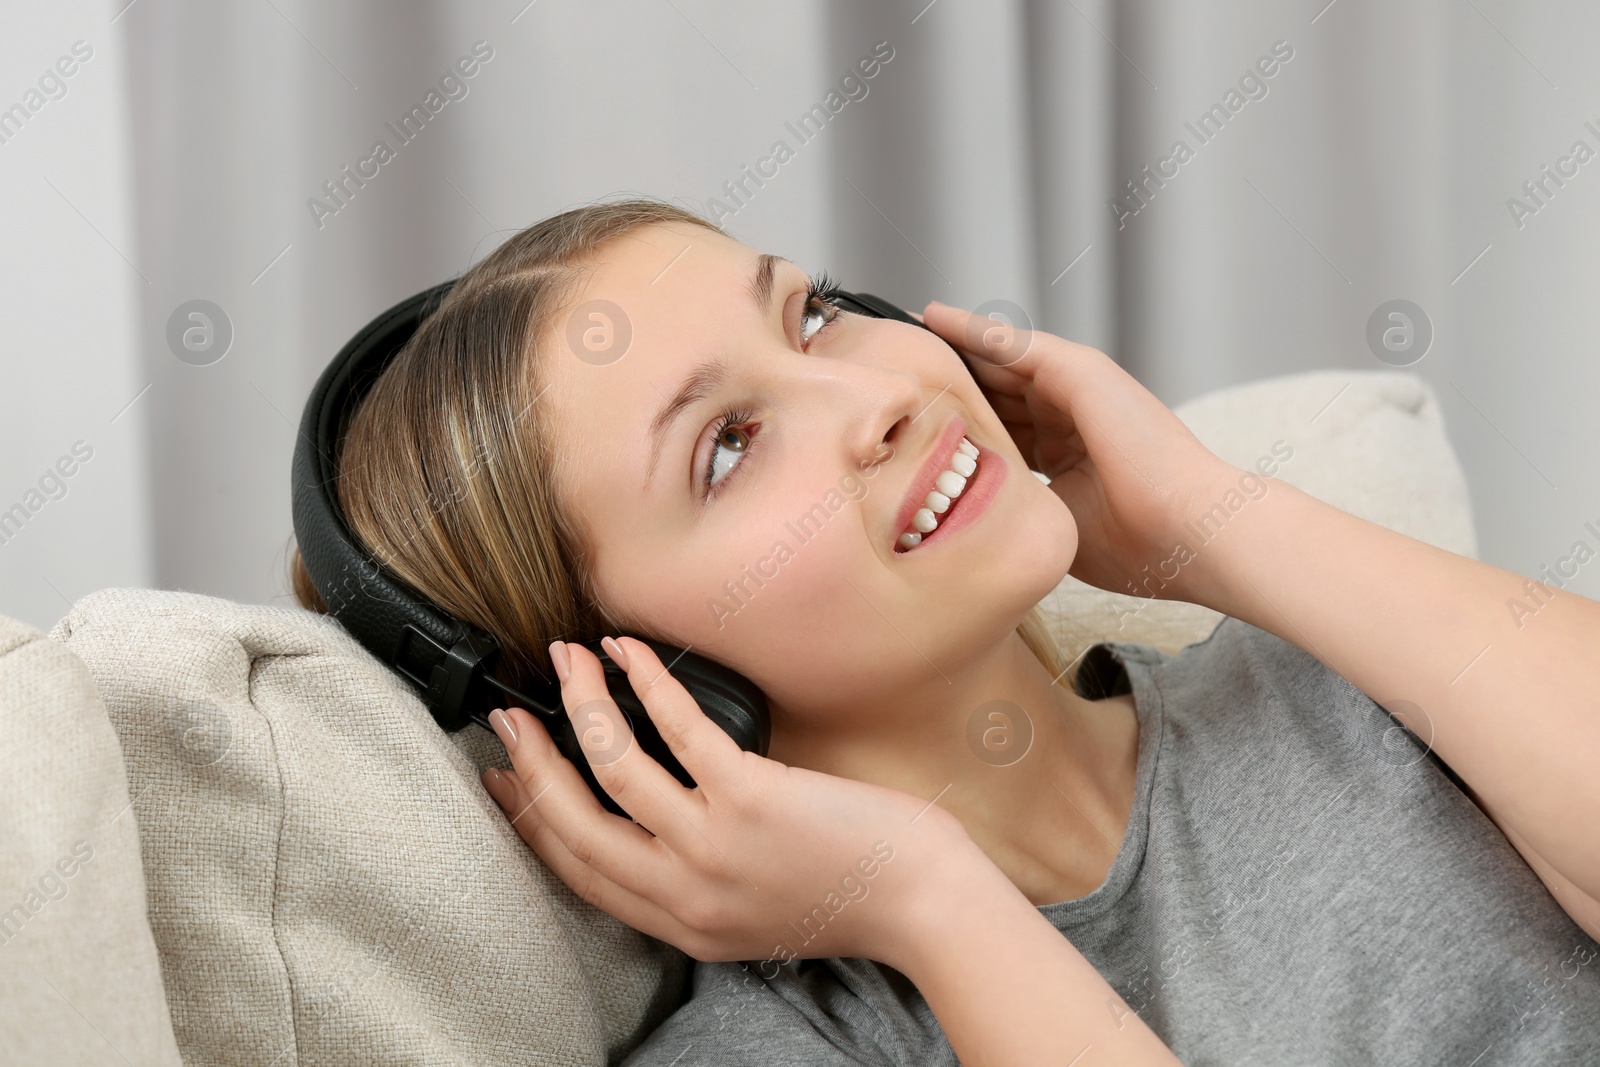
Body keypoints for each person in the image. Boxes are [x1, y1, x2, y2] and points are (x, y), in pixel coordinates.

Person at [290, 198, 1600, 1065]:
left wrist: (1215, 521)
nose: (876, 389)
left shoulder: (1343, 674)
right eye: (729, 446)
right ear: (622, 694)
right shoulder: (796, 1052)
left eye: (809, 314)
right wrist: (928, 900)